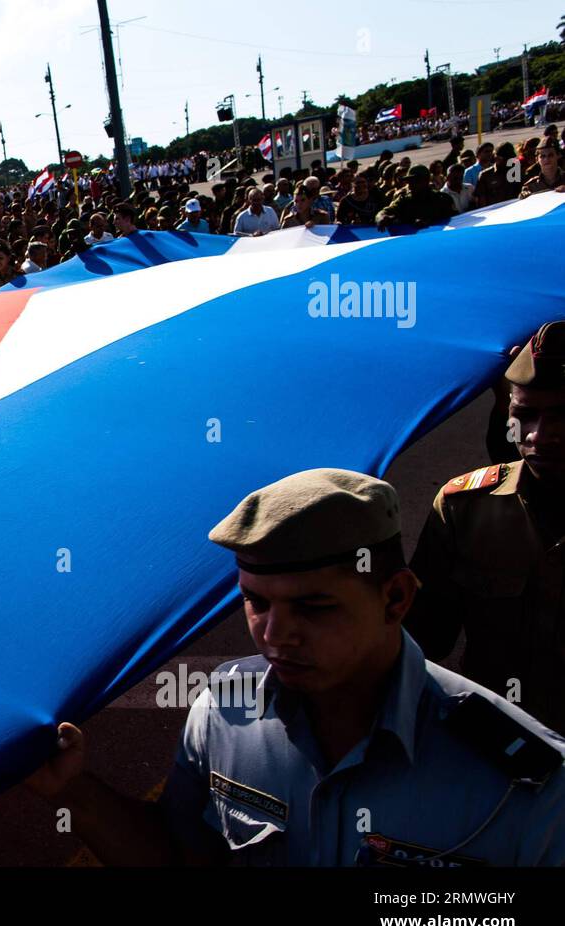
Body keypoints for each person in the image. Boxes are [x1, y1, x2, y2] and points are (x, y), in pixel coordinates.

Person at [28, 469, 565, 865]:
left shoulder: (528, 782)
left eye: (314, 607)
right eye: (256, 601)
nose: (274, 634)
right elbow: (179, 856)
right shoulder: (224, 710)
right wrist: (72, 791)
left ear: (396, 597)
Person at [407, 321, 565, 734]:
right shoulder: (465, 508)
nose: (540, 436)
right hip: (495, 759)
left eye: (563, 416)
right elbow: (419, 643)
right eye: (524, 415)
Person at [375, 166, 455, 230]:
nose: (410, 186)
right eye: (409, 182)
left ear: (425, 181)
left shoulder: (443, 199)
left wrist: (429, 222)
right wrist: (381, 218)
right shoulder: (405, 200)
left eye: (414, 182)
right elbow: (384, 212)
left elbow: (455, 222)